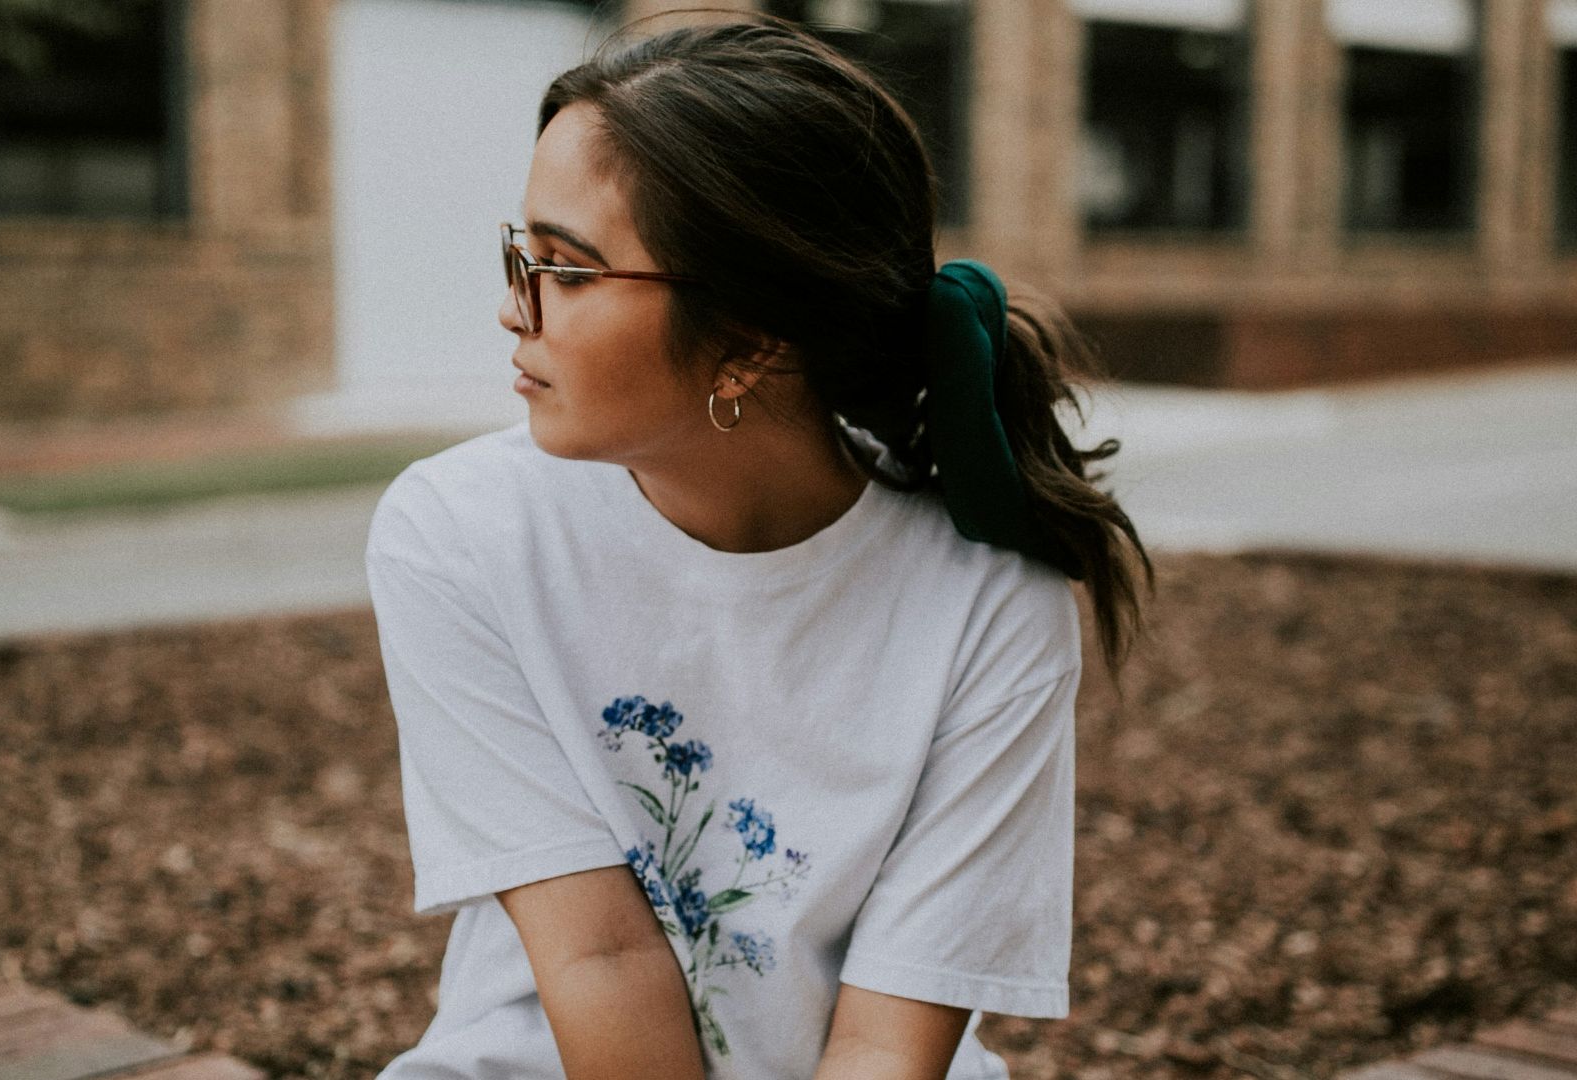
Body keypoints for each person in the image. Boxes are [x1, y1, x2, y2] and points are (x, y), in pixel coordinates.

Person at [365, 14, 1152, 1079]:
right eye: (522, 252)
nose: (515, 310)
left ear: (751, 340)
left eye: (569, 269)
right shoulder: (459, 535)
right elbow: (600, 958)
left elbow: (887, 1041)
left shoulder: (990, 599)